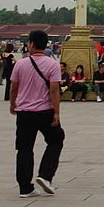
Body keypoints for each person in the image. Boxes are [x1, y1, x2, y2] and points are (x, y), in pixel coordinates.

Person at [9, 30, 64, 197]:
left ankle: (25, 187)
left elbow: (13, 88)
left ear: (31, 44)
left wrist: (13, 104)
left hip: (24, 112)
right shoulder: (52, 64)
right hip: (45, 111)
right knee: (56, 140)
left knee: (24, 148)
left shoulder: (20, 64)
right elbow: (54, 89)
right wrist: (56, 112)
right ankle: (45, 176)